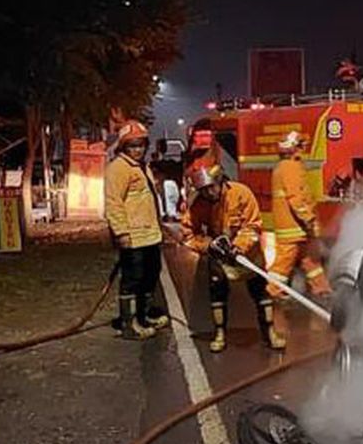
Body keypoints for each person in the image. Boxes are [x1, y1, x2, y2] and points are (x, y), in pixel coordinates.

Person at [180, 162, 285, 353]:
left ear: (221, 181)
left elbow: (253, 225)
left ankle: (270, 333)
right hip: (219, 254)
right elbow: (188, 235)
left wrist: (239, 247)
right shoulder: (198, 205)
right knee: (217, 292)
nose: (208, 193)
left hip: (249, 254)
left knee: (261, 292)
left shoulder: (241, 193)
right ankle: (220, 334)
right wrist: (209, 245)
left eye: (211, 187)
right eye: (203, 190)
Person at [104, 120, 169, 340]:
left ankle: (144, 316)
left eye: (141, 145)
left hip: (150, 235)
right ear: (124, 146)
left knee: (150, 276)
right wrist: (121, 233)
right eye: (133, 145)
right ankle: (129, 324)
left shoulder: (141, 166)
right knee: (132, 280)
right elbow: (113, 203)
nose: (138, 149)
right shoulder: (118, 169)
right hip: (133, 237)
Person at [267, 131, 331, 301]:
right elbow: (296, 197)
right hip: (293, 227)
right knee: (284, 262)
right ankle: (273, 291)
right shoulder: (290, 167)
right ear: (293, 148)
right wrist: (308, 218)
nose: (303, 148)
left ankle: (322, 290)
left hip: (296, 228)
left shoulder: (285, 167)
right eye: (300, 145)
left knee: (311, 260)